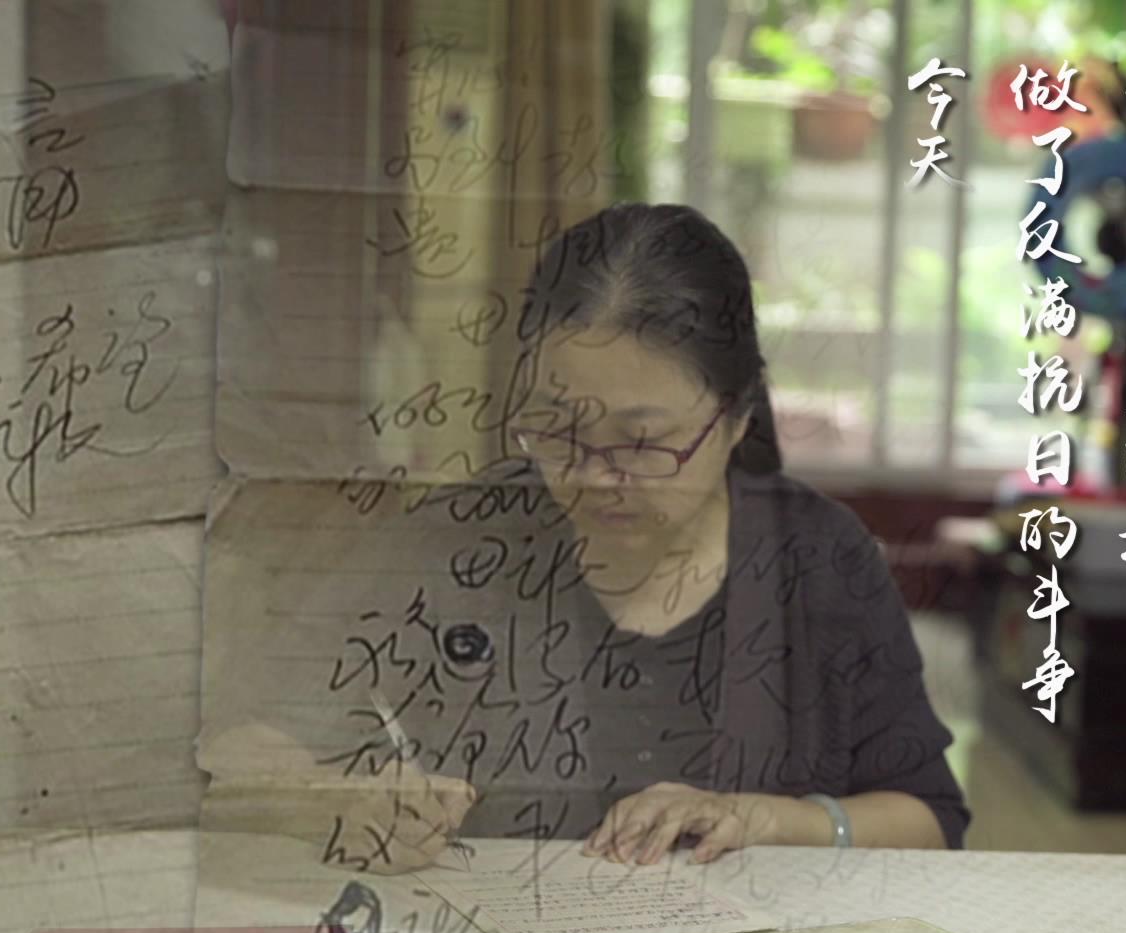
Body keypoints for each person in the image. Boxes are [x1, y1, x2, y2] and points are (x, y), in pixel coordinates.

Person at [204, 203, 969, 871]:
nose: (597, 477)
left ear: (736, 417)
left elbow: (929, 819)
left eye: (643, 443)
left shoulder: (817, 556)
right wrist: (329, 797)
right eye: (559, 433)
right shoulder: (461, 540)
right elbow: (239, 746)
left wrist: (766, 819)